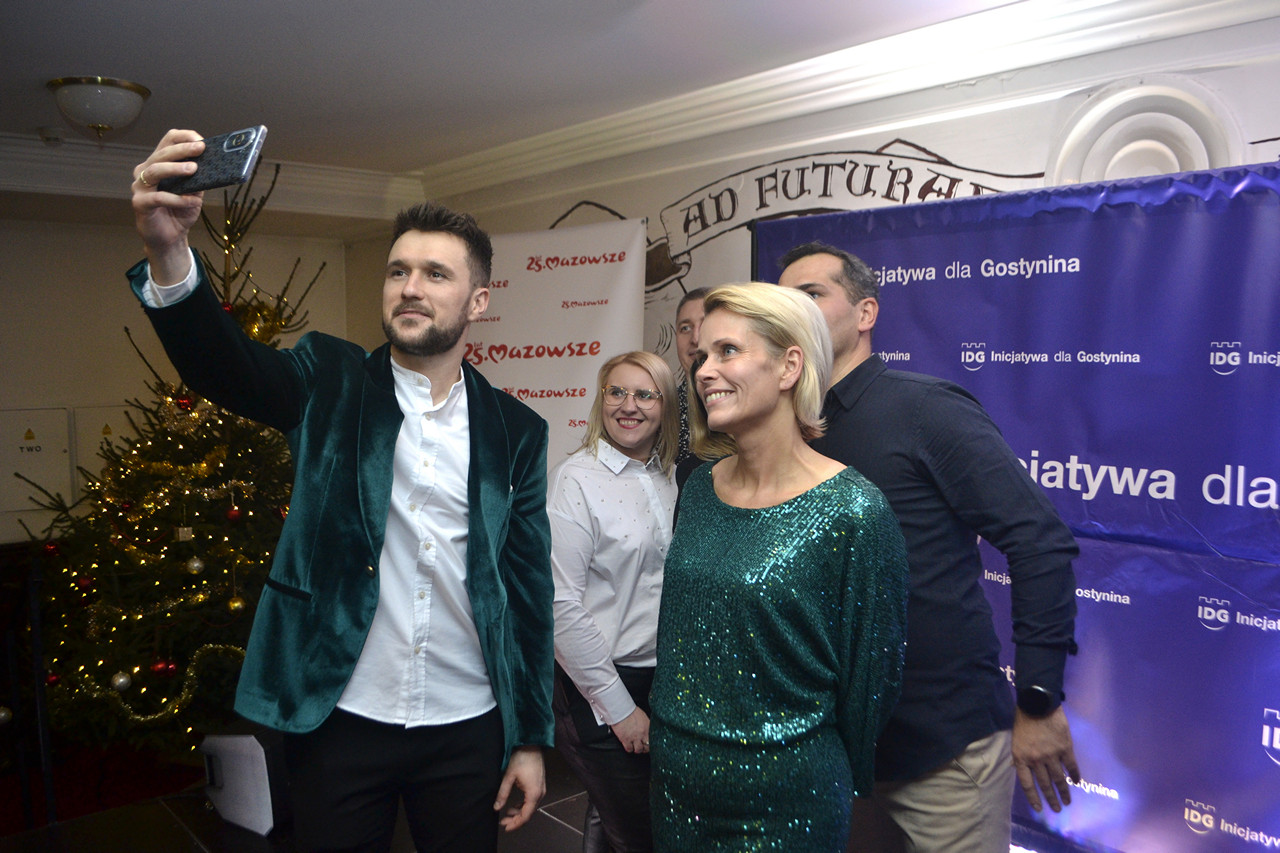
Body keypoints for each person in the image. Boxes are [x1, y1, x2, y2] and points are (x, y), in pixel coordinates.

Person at [129, 130, 554, 853]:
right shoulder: (328, 379)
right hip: (339, 717)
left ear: (478, 299)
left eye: (435, 274)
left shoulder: (518, 430)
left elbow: (528, 591)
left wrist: (531, 738)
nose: (410, 287)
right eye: (398, 271)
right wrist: (169, 252)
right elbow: (222, 366)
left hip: (467, 724)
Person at [777, 242, 1081, 853]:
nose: (795, 310)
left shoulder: (925, 408)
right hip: (829, 749)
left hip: (943, 750)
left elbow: (1038, 540)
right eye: (785, 300)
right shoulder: (784, 427)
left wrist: (1039, 698)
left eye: (812, 294)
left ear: (866, 313)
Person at [649, 283, 909, 851]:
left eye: (728, 351)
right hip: (675, 783)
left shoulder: (854, 511)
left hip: (785, 796)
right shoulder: (699, 488)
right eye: (702, 356)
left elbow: (872, 680)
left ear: (790, 365)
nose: (704, 371)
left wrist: (808, 763)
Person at [549, 351, 679, 853]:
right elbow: (560, 606)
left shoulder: (672, 477)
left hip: (663, 680)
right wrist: (619, 710)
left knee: (613, 817)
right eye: (616, 392)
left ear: (666, 407)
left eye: (645, 394)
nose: (629, 405)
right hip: (599, 683)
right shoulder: (576, 480)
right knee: (641, 834)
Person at [672, 287, 708, 465]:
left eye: (705, 325)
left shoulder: (745, 405)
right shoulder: (662, 409)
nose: (695, 338)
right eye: (685, 328)